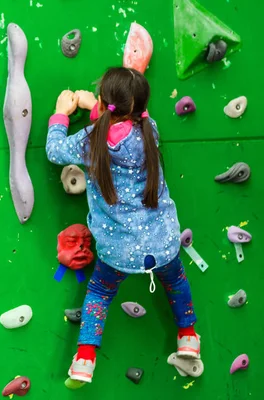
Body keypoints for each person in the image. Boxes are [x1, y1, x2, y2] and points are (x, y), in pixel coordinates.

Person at [45, 67, 199, 384]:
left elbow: (55, 150)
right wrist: (97, 107)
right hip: (162, 243)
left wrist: (61, 115)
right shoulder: (149, 129)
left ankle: (85, 360)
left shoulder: (91, 140)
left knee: (99, 294)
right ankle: (188, 338)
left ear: (105, 104)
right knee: (177, 283)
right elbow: (123, 126)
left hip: (118, 251)